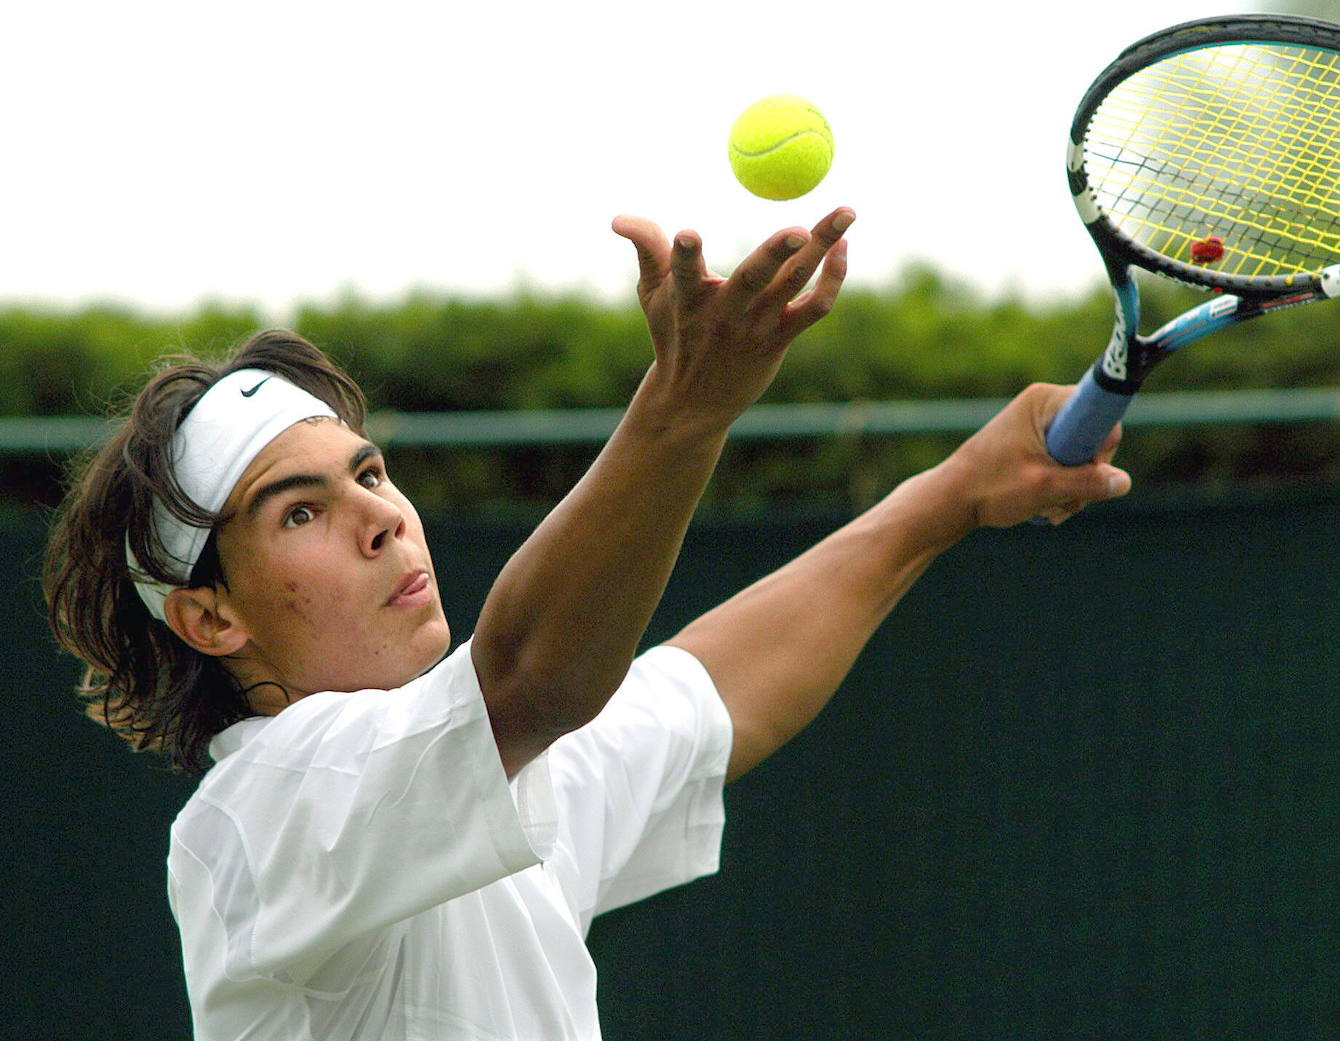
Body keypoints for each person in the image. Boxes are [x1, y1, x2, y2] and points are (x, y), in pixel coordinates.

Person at [43, 206, 1130, 1041]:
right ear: (209, 614)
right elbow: (528, 675)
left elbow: (705, 696)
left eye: (368, 473)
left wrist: (948, 495)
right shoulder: (266, 813)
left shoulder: (482, 774)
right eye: (302, 511)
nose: (379, 518)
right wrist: (684, 407)